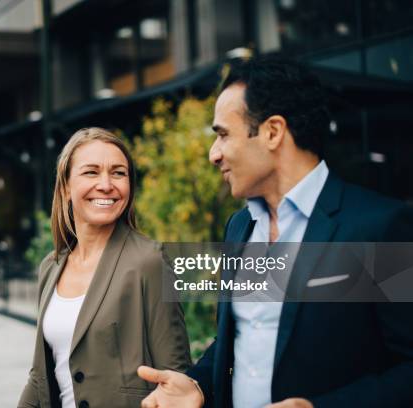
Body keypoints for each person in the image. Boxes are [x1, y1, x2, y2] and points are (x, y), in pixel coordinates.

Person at [138, 57, 413, 408]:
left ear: (272, 131)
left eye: (223, 134)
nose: (213, 154)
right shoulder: (239, 228)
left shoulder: (381, 227)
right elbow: (243, 338)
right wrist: (199, 385)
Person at [18, 127, 191, 408]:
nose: (106, 184)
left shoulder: (149, 261)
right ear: (65, 188)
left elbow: (175, 377)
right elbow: (40, 377)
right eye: (91, 172)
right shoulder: (51, 267)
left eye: (119, 173)